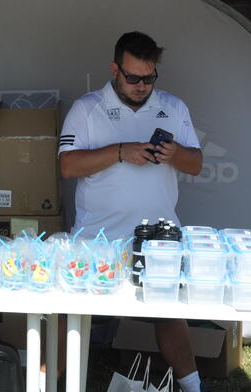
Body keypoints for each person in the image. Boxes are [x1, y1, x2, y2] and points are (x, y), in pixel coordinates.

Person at [58, 32, 207, 392]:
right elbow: (67, 165)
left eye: (149, 78)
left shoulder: (174, 107)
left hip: (158, 238)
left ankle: (193, 386)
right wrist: (121, 151)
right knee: (72, 313)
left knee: (168, 314)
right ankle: (46, 381)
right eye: (133, 77)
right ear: (115, 70)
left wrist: (175, 153)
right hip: (97, 239)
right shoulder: (86, 108)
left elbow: (196, 164)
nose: (142, 86)